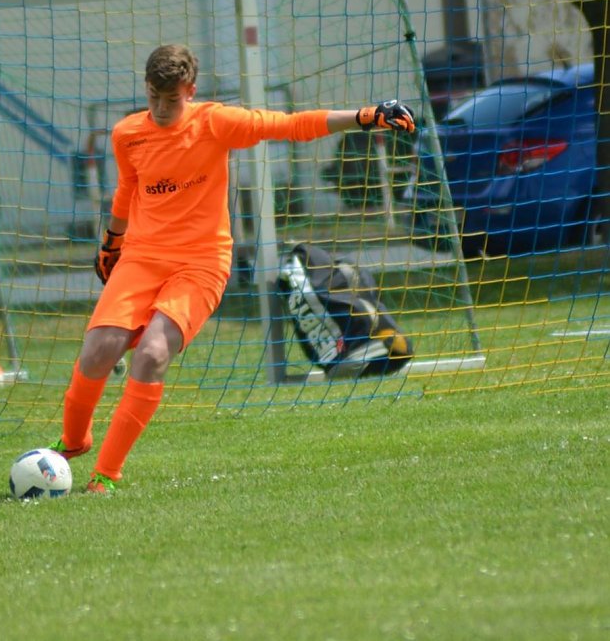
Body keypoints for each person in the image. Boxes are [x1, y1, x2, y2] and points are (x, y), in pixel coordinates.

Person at [48, 43, 415, 494]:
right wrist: (112, 242)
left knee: (152, 354)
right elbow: (127, 189)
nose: (162, 109)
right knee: (98, 350)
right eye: (153, 98)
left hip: (201, 264)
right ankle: (73, 441)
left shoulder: (215, 122)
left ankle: (105, 474)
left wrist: (364, 115)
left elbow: (291, 125)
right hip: (141, 257)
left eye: (172, 99)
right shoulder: (127, 133)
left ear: (191, 91)